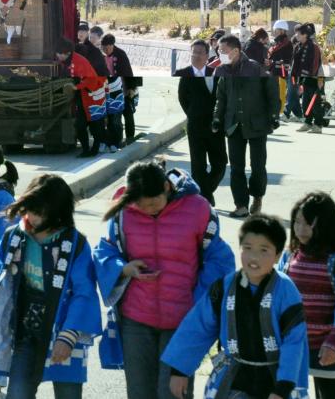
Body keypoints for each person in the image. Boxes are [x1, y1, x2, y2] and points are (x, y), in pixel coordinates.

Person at [93, 161, 235, 399]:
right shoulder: (122, 213)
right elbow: (104, 251)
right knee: (140, 393)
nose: (147, 209)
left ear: (167, 187)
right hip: (135, 319)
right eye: (141, 204)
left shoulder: (198, 208)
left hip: (182, 321)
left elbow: (220, 261)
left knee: (173, 393)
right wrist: (124, 268)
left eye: (153, 203)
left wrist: (197, 303)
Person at [162, 214, 309, 399]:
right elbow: (198, 326)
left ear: (278, 255)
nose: (254, 257)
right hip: (235, 376)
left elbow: (294, 342)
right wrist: (179, 370)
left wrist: (283, 387)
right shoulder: (224, 287)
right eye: (247, 248)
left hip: (277, 379)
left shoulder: (286, 291)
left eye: (264, 250)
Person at [0, 174, 102, 399]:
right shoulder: (13, 237)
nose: (34, 218)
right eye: (32, 209)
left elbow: (84, 293)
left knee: (68, 395)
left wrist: (68, 336)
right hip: (26, 331)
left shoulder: (75, 244)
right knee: (17, 394)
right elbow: (1, 283)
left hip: (65, 332)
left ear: (59, 215)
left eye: (42, 213)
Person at [278, 192, 335, 399]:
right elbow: (280, 297)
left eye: (308, 224)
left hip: (329, 346)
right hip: (294, 344)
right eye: (297, 222)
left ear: (325, 225)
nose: (300, 230)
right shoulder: (289, 256)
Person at [213, 35, 279, 219]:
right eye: (219, 50)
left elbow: (272, 93)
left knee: (258, 166)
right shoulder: (221, 71)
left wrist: (274, 116)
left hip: (257, 123)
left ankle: (257, 196)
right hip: (234, 125)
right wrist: (217, 118)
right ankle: (241, 205)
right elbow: (221, 98)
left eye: (223, 51)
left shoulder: (255, 68)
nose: (220, 54)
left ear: (235, 51)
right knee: (236, 168)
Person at [175, 41, 225, 206]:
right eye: (193, 52)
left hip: (216, 126)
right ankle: (204, 200)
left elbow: (223, 95)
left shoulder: (216, 72)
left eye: (199, 53)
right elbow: (183, 98)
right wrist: (193, 114)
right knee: (198, 166)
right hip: (196, 126)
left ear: (206, 55)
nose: (196, 56)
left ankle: (205, 192)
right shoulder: (184, 73)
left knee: (220, 163)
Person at [56, 38, 110, 158]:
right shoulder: (68, 61)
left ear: (67, 53)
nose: (57, 55)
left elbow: (91, 79)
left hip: (93, 95)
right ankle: (85, 149)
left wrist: (76, 87)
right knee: (80, 125)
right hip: (82, 97)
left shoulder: (79, 61)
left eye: (59, 53)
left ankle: (95, 149)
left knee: (96, 124)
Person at [101, 33, 137, 147]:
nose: (105, 50)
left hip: (124, 88)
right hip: (109, 90)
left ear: (112, 45)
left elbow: (128, 72)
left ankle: (130, 137)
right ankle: (116, 139)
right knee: (113, 116)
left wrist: (132, 88)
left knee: (128, 113)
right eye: (103, 47)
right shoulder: (101, 56)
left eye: (107, 47)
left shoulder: (121, 54)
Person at [292, 24, 326, 133]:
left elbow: (317, 65)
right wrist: (298, 81)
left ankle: (318, 125)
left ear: (305, 35)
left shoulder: (314, 47)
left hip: (315, 78)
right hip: (304, 79)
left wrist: (320, 80)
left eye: (298, 33)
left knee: (316, 103)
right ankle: (307, 122)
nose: (296, 35)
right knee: (306, 102)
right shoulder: (298, 46)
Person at [267, 26, 298, 122]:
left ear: (282, 31)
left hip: (282, 71)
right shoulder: (277, 42)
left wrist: (273, 62)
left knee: (282, 92)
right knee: (286, 93)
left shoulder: (286, 43)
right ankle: (298, 114)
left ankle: (281, 112)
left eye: (276, 30)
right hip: (274, 71)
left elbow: (286, 59)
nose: (274, 31)